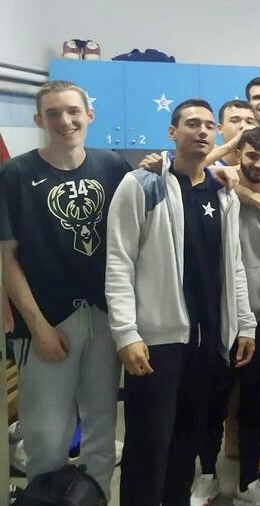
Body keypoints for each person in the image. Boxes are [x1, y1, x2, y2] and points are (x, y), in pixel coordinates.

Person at [106, 99, 257, 506]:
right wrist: (126, 333)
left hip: (208, 341)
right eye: (192, 123)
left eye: (209, 125)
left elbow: (234, 265)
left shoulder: (224, 193)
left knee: (185, 445)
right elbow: (119, 260)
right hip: (157, 342)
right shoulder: (143, 185)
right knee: (147, 446)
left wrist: (245, 323)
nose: (202, 131)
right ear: (172, 132)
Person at [0, 80, 129, 499]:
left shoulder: (113, 168)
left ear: (90, 115)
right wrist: (38, 327)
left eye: (73, 111)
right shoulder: (15, 174)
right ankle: (45, 498)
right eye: (53, 113)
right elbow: (7, 259)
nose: (65, 120)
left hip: (104, 317)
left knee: (101, 428)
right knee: (47, 433)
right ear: (39, 120)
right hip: (48, 320)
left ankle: (93, 498)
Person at [189, 127, 260, 506]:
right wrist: (231, 147)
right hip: (217, 319)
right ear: (239, 154)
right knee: (211, 404)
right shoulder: (216, 187)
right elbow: (191, 169)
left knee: (255, 406)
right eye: (252, 155)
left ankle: (248, 483)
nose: (259, 164)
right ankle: (207, 476)